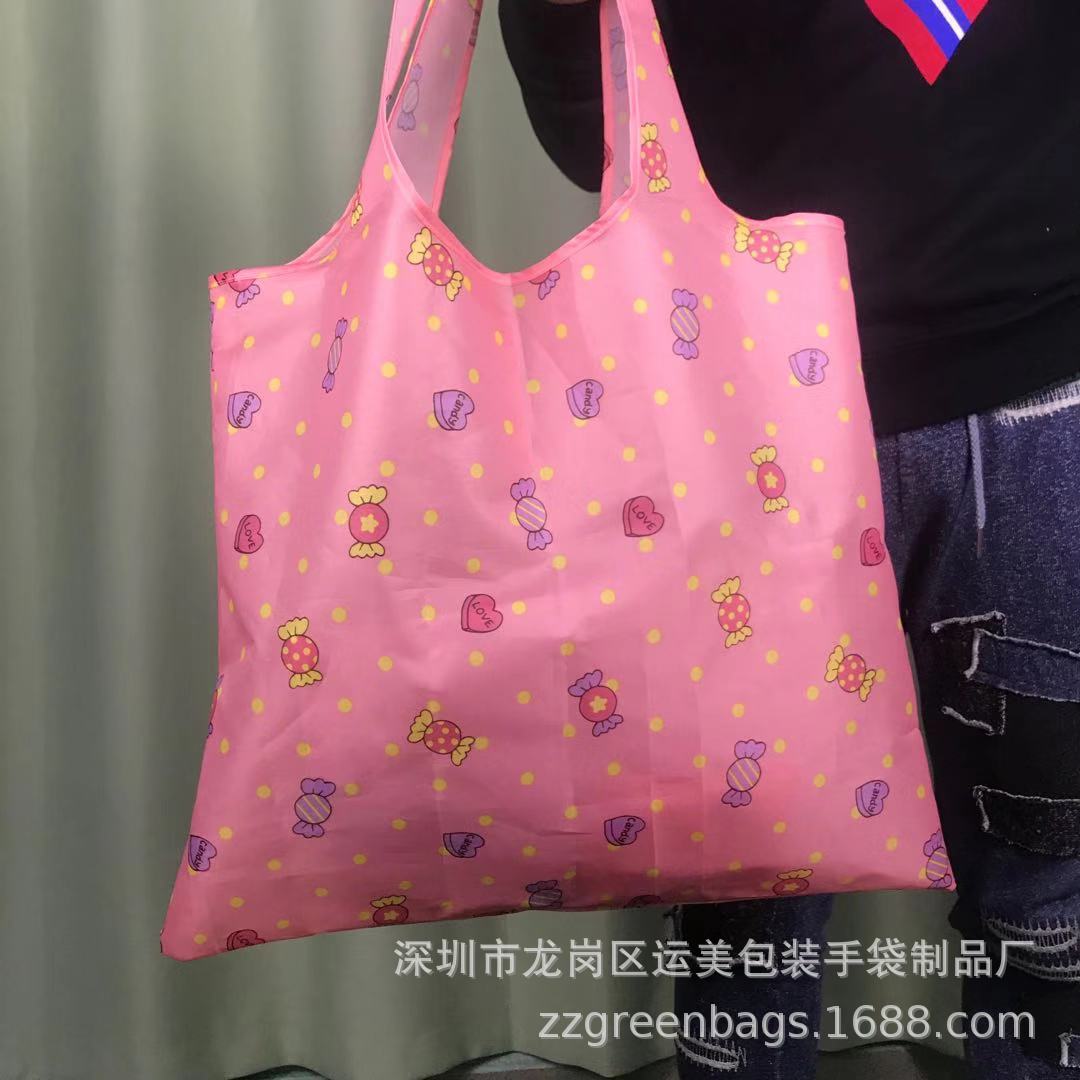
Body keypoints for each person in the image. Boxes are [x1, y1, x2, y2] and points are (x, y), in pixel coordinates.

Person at [499, 2, 1080, 1077]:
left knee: (1055, 921)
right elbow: (594, 128)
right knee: (744, 931)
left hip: (1044, 384)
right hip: (742, 406)